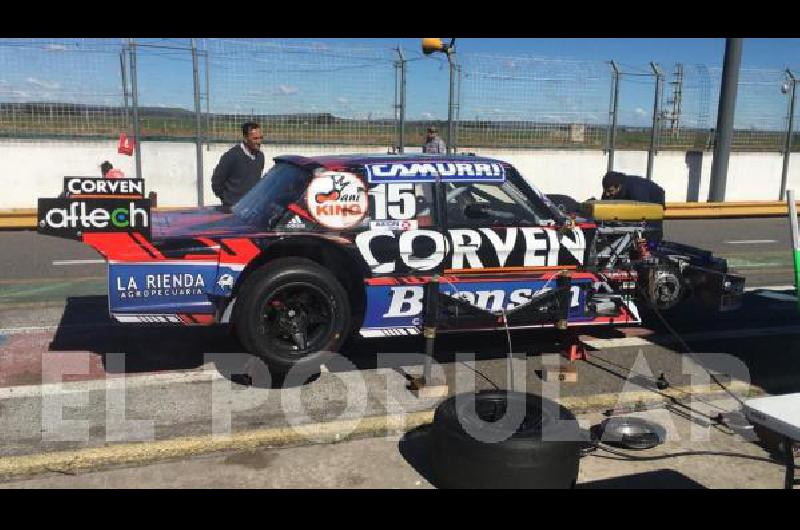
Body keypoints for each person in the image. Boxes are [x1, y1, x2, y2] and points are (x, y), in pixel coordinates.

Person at [212, 122, 265, 212]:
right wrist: (228, 200)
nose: (259, 141)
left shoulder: (260, 156)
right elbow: (217, 182)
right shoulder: (231, 156)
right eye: (255, 138)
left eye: (261, 138)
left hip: (251, 209)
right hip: (233, 210)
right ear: (245, 138)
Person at [601, 170, 665, 241]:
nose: (607, 194)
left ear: (619, 187)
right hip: (635, 200)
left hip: (652, 201)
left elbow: (643, 211)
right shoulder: (610, 189)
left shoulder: (636, 189)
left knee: (649, 229)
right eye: (605, 191)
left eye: (610, 191)